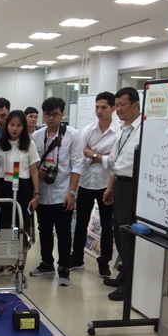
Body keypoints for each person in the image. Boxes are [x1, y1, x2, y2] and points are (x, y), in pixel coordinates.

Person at [30, 97, 83, 287]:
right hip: (42, 192)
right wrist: (39, 171)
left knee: (63, 232)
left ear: (62, 114)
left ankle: (64, 268)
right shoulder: (37, 136)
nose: (51, 118)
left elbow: (77, 165)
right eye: (47, 114)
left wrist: (72, 193)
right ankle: (46, 263)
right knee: (43, 230)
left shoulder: (73, 135)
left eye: (55, 114)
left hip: (63, 192)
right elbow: (32, 164)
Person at [71, 92, 120, 278]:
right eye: (97, 107)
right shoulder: (88, 130)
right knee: (81, 222)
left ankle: (104, 262)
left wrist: (92, 154)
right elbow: (79, 156)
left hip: (106, 185)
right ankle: (77, 258)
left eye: (104, 107)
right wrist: (101, 157)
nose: (99, 111)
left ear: (113, 108)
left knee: (107, 225)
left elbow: (115, 161)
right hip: (85, 182)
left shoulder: (119, 132)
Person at [103, 87, 142, 301]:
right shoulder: (123, 129)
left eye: (122, 105)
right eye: (116, 105)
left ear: (136, 104)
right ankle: (123, 275)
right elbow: (115, 161)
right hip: (119, 183)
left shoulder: (143, 130)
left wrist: (94, 156)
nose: (118, 109)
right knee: (119, 232)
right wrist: (110, 186)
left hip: (133, 186)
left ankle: (129, 285)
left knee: (128, 236)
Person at [0, 110, 40, 278]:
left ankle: (20, 269)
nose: (15, 128)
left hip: (23, 189)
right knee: (4, 227)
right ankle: (4, 264)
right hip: (4, 188)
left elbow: (34, 170)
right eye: (12, 125)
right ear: (7, 126)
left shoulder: (29, 145)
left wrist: (37, 194)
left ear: (23, 127)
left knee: (21, 228)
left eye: (19, 125)